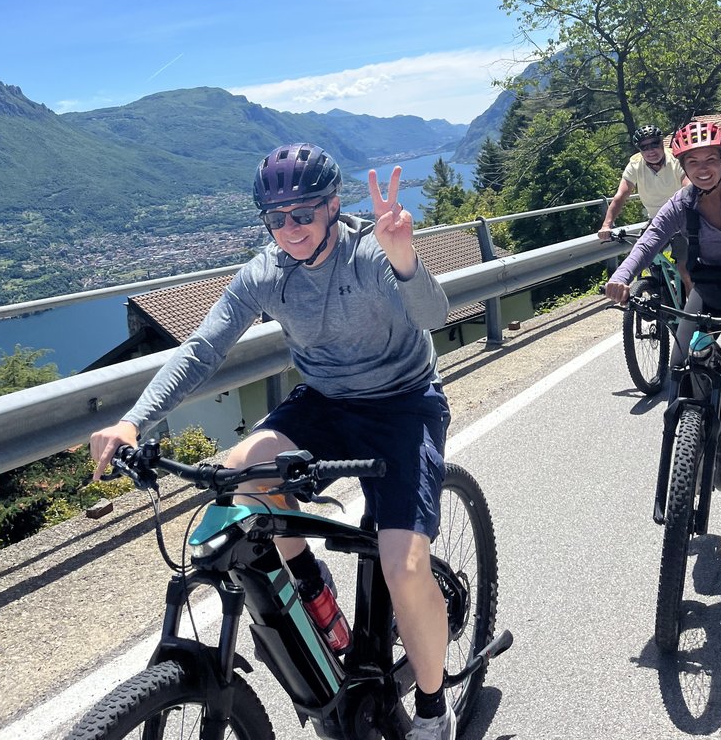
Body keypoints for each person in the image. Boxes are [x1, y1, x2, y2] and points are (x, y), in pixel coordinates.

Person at [91, 142, 458, 740]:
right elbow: (202, 349)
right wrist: (136, 420)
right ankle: (314, 593)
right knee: (243, 475)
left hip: (403, 403)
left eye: (303, 214)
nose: (289, 229)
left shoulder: (369, 251)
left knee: (403, 563)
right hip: (324, 400)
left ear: (333, 208)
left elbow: (434, 318)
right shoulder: (265, 273)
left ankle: (434, 710)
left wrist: (406, 261)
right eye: (276, 218)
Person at [604, 89, 721, 468]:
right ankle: (685, 433)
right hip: (713, 285)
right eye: (694, 162)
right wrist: (623, 276)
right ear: (684, 168)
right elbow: (651, 239)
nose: (703, 168)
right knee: (682, 355)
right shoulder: (682, 203)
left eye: (711, 159)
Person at [599, 123, 692, 295]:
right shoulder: (635, 165)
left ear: (662, 143)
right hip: (656, 220)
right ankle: (661, 290)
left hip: (681, 217)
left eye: (655, 144)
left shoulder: (677, 159)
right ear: (639, 149)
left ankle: (691, 314)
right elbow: (620, 196)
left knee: (684, 269)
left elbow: (688, 187)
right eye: (644, 147)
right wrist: (607, 224)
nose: (651, 150)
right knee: (642, 257)